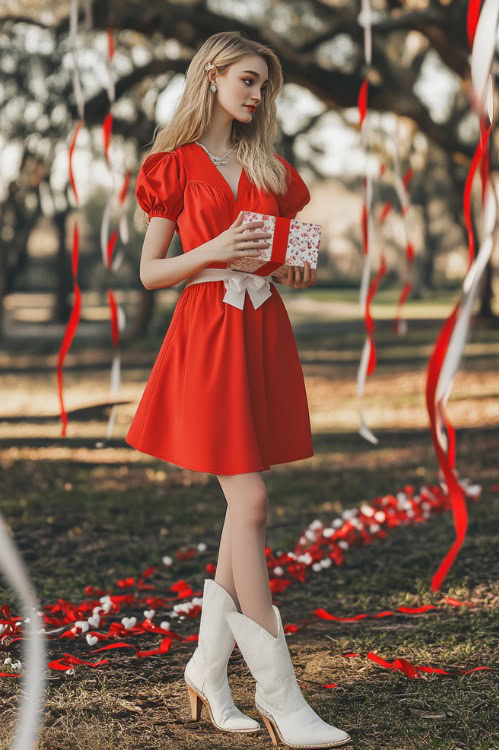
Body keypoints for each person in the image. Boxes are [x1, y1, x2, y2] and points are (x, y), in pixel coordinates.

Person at [127, 30, 351, 750]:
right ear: (213, 76)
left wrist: (296, 265)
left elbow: (293, 250)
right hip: (205, 335)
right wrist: (215, 250)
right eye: (249, 81)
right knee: (249, 501)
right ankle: (283, 700)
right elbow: (151, 273)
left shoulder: (271, 167)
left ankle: (206, 671)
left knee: (240, 507)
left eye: (265, 86)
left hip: (261, 332)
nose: (258, 95)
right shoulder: (175, 166)